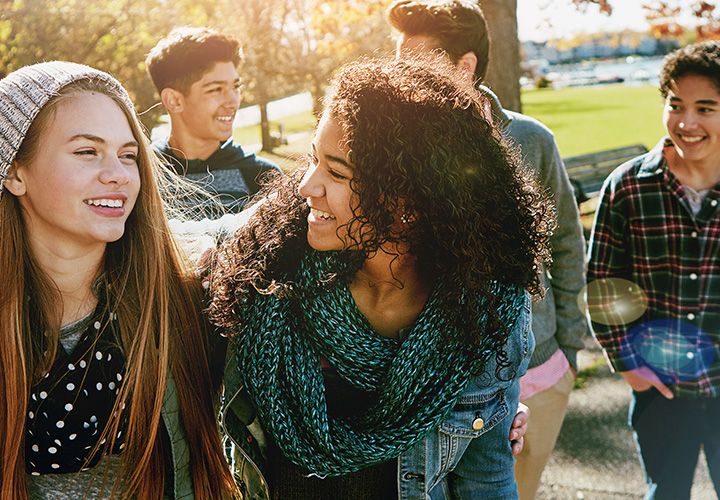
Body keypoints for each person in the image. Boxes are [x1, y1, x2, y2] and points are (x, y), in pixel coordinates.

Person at [207, 56, 553, 500]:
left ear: (407, 201)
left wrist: (499, 411)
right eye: (313, 160)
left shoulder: (486, 309)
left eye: (336, 172)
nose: (305, 186)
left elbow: (486, 478)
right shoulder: (263, 267)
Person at [0, 61, 236, 499]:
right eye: (87, 152)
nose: (119, 174)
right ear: (15, 173)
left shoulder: (182, 295)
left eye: (128, 155)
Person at [387, 1, 588, 497]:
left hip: (538, 368)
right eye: (397, 61)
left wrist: (569, 351)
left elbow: (564, 243)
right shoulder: (392, 151)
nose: (400, 75)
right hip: (430, 386)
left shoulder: (530, 140)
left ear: (465, 66)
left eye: (413, 61)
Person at [587, 41, 720, 499]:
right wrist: (629, 366)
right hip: (660, 390)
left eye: (706, 108)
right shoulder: (627, 187)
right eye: (676, 105)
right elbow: (603, 285)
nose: (688, 122)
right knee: (666, 493)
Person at [146, 26, 281, 213]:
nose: (232, 101)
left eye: (235, 87)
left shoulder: (262, 177)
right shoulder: (142, 174)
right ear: (174, 100)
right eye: (216, 89)